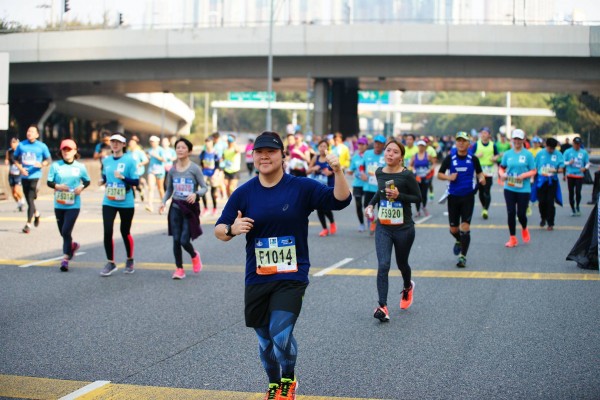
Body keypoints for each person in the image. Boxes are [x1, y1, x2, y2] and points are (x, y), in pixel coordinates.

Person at [215, 131, 351, 400]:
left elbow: (340, 200)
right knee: (265, 341)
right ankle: (273, 383)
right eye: (259, 152)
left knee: (280, 334)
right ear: (253, 156)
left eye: (271, 151)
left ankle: (288, 380)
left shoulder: (301, 187)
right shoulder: (244, 193)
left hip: (292, 274)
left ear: (283, 156)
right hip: (258, 276)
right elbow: (219, 229)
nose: (264, 157)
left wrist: (338, 171)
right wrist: (232, 229)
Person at [365, 138, 421, 322]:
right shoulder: (379, 172)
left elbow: (417, 197)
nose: (390, 154)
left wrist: (399, 195)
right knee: (383, 265)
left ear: (401, 157)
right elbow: (380, 192)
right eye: (388, 150)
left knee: (402, 264)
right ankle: (382, 306)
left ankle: (407, 286)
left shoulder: (407, 175)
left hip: (404, 228)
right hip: (383, 227)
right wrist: (371, 205)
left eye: (395, 152)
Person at [159, 138, 208, 279]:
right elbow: (169, 189)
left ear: (189, 151)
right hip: (175, 207)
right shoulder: (172, 170)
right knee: (176, 240)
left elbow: (204, 187)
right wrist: (163, 202)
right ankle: (179, 269)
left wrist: (196, 194)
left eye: (183, 147)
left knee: (184, 240)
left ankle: (194, 255)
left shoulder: (194, 169)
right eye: (178, 147)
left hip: (189, 209)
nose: (180, 150)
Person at [437, 132, 486, 268]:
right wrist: (449, 177)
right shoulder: (450, 158)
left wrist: (482, 178)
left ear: (468, 143)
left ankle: (463, 256)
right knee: (453, 229)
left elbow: (480, 173)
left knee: (465, 227)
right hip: (453, 196)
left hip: (468, 197)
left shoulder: (473, 159)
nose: (461, 143)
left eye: (464, 141)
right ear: (456, 143)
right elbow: (439, 174)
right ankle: (459, 240)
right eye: (459, 140)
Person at [47, 139, 91, 272]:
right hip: (59, 204)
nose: (66, 152)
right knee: (63, 232)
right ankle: (71, 246)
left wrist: (81, 187)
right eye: (64, 149)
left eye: (69, 149)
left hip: (73, 205)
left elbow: (87, 181)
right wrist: (58, 186)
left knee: (66, 231)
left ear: (75, 151)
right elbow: (49, 182)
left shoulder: (80, 167)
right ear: (61, 151)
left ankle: (65, 259)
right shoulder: (56, 166)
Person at [99, 133, 140, 276]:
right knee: (107, 231)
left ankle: (130, 259)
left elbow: (136, 181)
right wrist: (102, 181)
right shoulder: (106, 160)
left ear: (123, 144)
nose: (115, 144)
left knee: (125, 231)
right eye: (113, 142)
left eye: (118, 142)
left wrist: (123, 177)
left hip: (126, 201)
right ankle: (110, 262)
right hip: (109, 200)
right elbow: (105, 176)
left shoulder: (130, 160)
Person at [498, 129, 537, 248]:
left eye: (519, 139)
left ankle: (524, 228)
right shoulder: (507, 154)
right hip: (509, 187)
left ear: (523, 140)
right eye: (515, 139)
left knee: (521, 214)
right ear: (512, 140)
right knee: (511, 212)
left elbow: (534, 170)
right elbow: (501, 167)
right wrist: (502, 174)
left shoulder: (528, 154)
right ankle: (513, 238)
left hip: (523, 188)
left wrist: (523, 176)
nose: (517, 141)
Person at [13, 125, 51, 234]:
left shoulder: (42, 146)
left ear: (37, 134)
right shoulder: (21, 145)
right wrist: (21, 168)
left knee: (30, 198)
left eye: (32, 131)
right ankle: (37, 213)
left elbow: (48, 159)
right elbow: (15, 159)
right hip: (24, 176)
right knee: (29, 200)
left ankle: (28, 224)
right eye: (28, 131)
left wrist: (42, 164)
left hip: (36, 176)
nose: (29, 133)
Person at [533, 137, 564, 231]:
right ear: (546, 145)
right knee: (542, 202)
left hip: (552, 181)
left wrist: (554, 170)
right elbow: (535, 167)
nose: (551, 150)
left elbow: (561, 169)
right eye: (550, 148)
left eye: (553, 148)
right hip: (541, 181)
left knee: (550, 202)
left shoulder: (558, 154)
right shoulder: (540, 154)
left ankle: (550, 223)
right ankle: (543, 217)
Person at [307, 139, 337, 237]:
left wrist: (330, 172)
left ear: (327, 148)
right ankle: (324, 229)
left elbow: (338, 170)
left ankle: (332, 222)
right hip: (317, 187)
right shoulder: (315, 158)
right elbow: (307, 171)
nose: (322, 148)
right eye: (321, 146)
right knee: (319, 208)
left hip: (328, 186)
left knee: (326, 207)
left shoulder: (330, 158)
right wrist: (313, 169)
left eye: (324, 146)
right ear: (318, 147)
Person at [470, 127, 499, 219]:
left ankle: (486, 209)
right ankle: (483, 206)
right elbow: (470, 155)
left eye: (485, 133)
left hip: (489, 170)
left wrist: (494, 158)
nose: (483, 135)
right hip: (479, 170)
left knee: (487, 190)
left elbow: (497, 154)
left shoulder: (492, 145)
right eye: (482, 133)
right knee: (481, 191)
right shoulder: (476, 144)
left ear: (489, 135)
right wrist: (476, 155)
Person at [362, 135, 387, 235]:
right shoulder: (367, 153)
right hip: (368, 186)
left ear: (383, 145)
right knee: (367, 207)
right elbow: (361, 166)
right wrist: (362, 173)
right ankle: (373, 221)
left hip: (381, 188)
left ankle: (380, 227)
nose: (377, 145)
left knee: (381, 208)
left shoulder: (386, 155)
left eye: (380, 143)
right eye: (376, 143)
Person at [563, 137, 590, 216]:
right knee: (571, 192)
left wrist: (585, 168)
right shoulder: (568, 151)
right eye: (576, 144)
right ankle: (572, 208)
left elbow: (587, 163)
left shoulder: (584, 152)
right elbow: (563, 162)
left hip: (579, 175)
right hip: (570, 174)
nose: (577, 146)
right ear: (573, 143)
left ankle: (577, 206)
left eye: (578, 144)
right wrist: (569, 162)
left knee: (578, 192)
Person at [347, 136, 369, 231]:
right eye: (359, 144)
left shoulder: (370, 156)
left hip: (368, 184)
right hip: (357, 184)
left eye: (362, 144)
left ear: (366, 145)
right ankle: (361, 224)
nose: (360, 146)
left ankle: (369, 220)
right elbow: (351, 169)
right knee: (358, 205)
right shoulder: (355, 157)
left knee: (367, 205)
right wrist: (349, 171)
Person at [410, 139, 435, 217]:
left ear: (425, 147)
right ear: (418, 146)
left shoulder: (428, 155)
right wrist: (413, 169)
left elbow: (434, 164)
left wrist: (429, 170)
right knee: (417, 194)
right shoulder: (415, 156)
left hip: (425, 177)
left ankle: (423, 207)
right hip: (417, 178)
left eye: (422, 146)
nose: (421, 147)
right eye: (419, 146)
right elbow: (410, 165)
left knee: (424, 194)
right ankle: (418, 210)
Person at [199, 136, 221, 216]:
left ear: (212, 143)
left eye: (209, 142)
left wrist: (216, 173)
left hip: (213, 174)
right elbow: (201, 163)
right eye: (206, 142)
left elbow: (218, 165)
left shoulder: (215, 153)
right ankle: (205, 208)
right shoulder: (203, 153)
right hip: (205, 173)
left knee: (213, 192)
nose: (207, 144)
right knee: (203, 191)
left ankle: (214, 208)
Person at [145, 135, 166, 213]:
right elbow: (147, 159)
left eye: (153, 141)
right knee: (151, 188)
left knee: (160, 189)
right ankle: (150, 205)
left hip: (160, 171)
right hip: (151, 171)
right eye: (151, 141)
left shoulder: (161, 150)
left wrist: (156, 156)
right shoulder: (149, 150)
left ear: (157, 142)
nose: (152, 143)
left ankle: (163, 204)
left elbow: (164, 160)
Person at [4, 137, 25, 212]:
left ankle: (22, 200)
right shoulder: (9, 151)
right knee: (13, 193)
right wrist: (6, 161)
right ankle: (19, 204)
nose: (12, 144)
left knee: (17, 189)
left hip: (18, 173)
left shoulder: (21, 151)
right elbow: (7, 159)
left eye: (14, 142)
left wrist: (21, 168)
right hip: (11, 173)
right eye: (11, 142)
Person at [128, 136, 148, 203]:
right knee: (132, 185)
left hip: (138, 171)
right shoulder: (128, 152)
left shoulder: (139, 152)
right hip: (130, 172)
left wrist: (140, 164)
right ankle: (135, 196)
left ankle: (139, 192)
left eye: (132, 143)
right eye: (130, 143)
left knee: (135, 185)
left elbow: (146, 160)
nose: (131, 145)